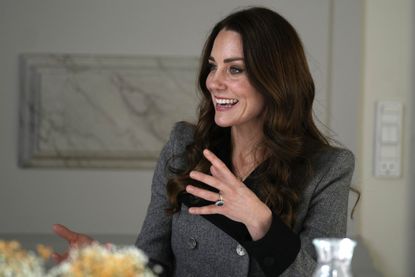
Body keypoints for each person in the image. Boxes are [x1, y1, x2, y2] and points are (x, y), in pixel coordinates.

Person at [52, 7, 355, 276]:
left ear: (276, 80)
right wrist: (105, 265)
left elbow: (323, 273)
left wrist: (260, 220)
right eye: (213, 66)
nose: (213, 81)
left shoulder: (328, 168)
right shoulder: (185, 147)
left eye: (234, 69)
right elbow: (151, 264)